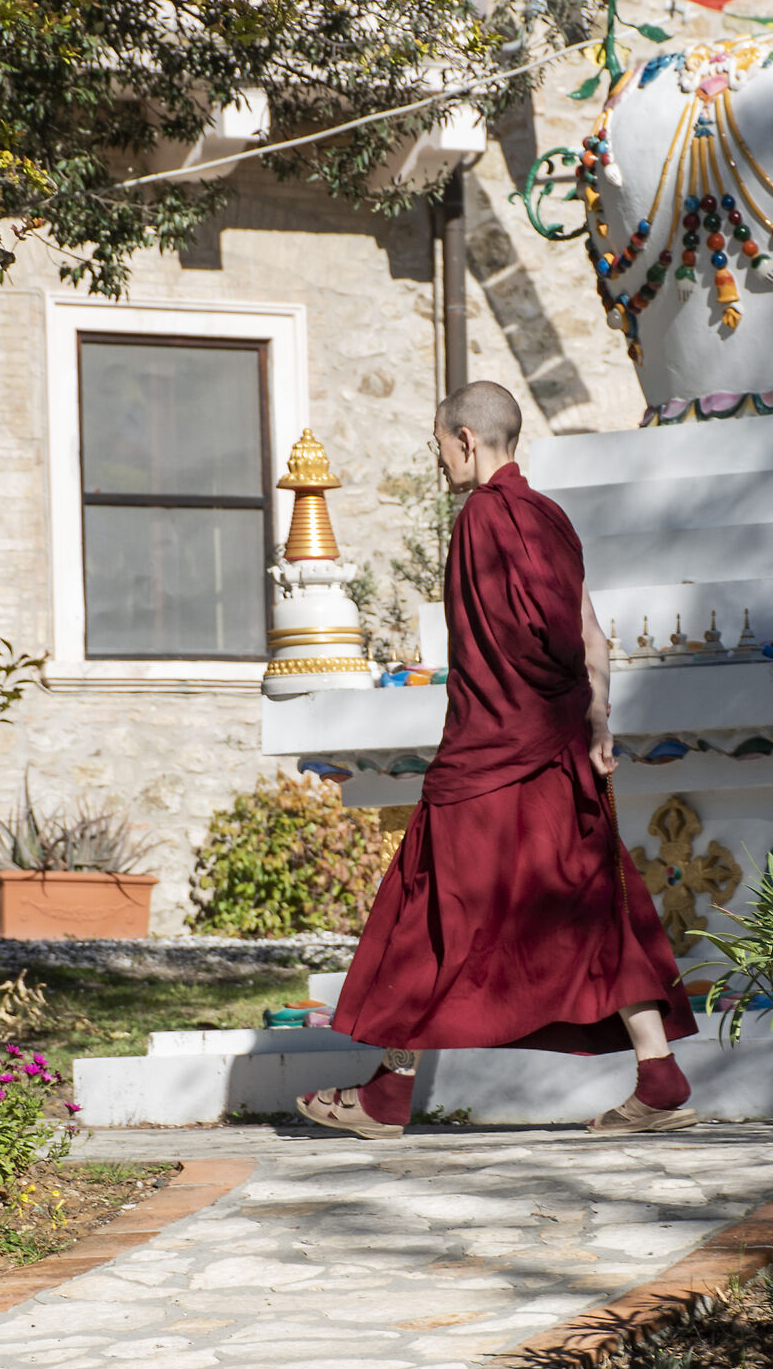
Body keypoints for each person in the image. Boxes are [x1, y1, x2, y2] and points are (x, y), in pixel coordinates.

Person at [298, 381, 698, 1139]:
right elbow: (587, 636)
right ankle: (660, 1075)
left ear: (466, 440)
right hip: (561, 748)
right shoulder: (550, 519)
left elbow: (530, 641)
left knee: (431, 909)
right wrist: (597, 718)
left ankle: (386, 1094)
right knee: (590, 908)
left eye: (438, 443)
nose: (437, 456)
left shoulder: (484, 518)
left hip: (490, 754)